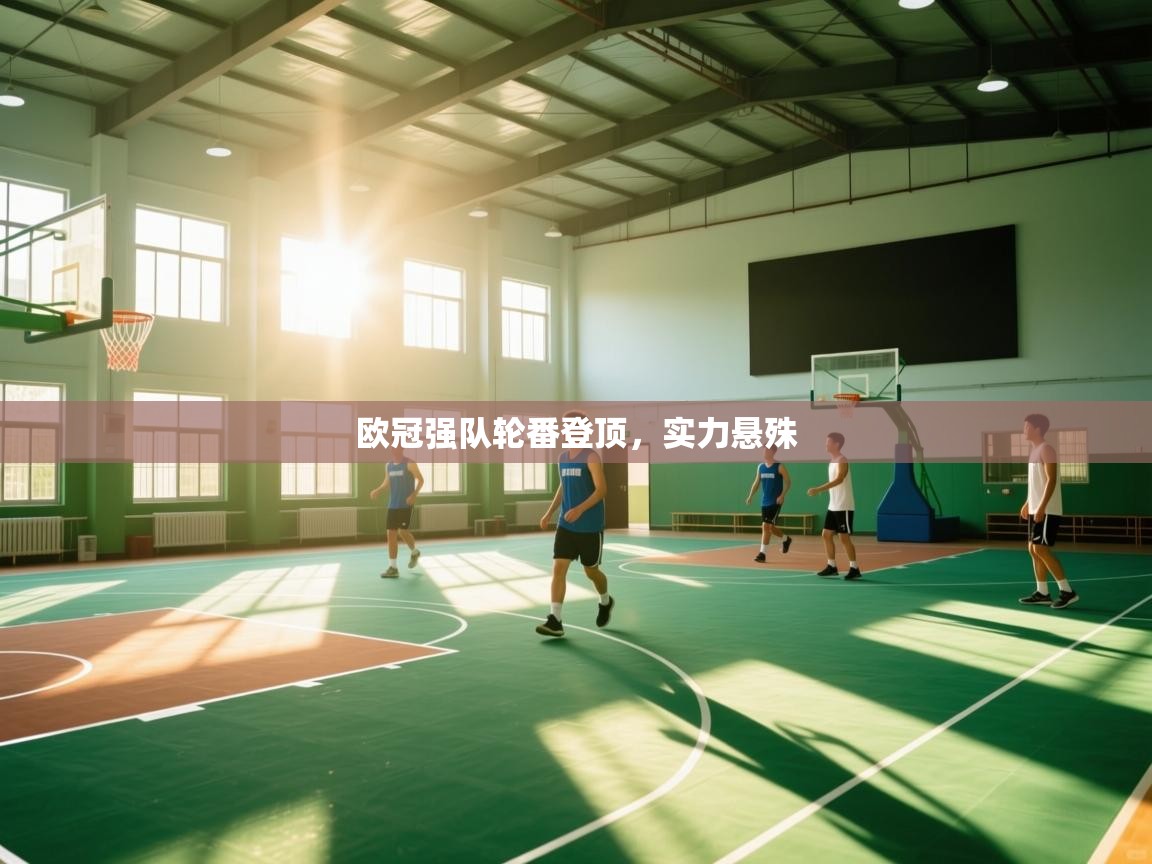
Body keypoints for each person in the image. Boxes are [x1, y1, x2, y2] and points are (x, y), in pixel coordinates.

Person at [535, 412, 614, 637]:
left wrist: (580, 509)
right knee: (558, 568)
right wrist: (549, 513)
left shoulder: (591, 457)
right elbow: (563, 487)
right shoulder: (562, 457)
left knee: (591, 571)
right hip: (566, 525)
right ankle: (555, 620)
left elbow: (602, 490)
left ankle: (605, 601)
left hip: (590, 526)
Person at [1017, 414, 1078, 609]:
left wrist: (1042, 506)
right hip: (1036, 508)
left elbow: (1051, 480)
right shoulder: (1034, 451)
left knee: (1040, 549)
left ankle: (1067, 591)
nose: (1024, 430)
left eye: (1027, 427)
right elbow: (1037, 483)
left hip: (1048, 509)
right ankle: (1042, 592)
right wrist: (1028, 503)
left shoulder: (1046, 449)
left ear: (1037, 429)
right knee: (1032, 549)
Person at [807, 432, 861, 580]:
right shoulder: (832, 461)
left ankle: (854, 568)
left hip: (844, 505)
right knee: (826, 534)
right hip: (833, 505)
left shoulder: (842, 460)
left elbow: (839, 479)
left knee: (843, 538)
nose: (826, 444)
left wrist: (818, 489)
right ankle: (831, 566)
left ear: (836, 444)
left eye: (828, 442)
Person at [369, 445, 423, 578]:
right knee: (391, 534)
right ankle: (393, 568)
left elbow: (421, 480)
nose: (394, 449)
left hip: (405, 505)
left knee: (402, 531)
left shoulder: (410, 463)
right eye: (392, 447)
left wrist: (414, 495)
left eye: (397, 447)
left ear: (402, 448)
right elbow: (386, 482)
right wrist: (378, 490)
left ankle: (414, 552)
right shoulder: (389, 465)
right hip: (392, 505)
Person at [745, 444, 793, 561]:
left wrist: (782, 495)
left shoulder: (779, 466)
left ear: (773, 452)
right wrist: (750, 496)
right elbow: (756, 483)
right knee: (769, 527)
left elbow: (788, 482)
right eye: (764, 450)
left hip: (775, 501)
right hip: (764, 501)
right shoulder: (761, 467)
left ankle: (762, 554)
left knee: (766, 526)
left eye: (767, 450)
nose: (764, 452)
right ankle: (786, 539)